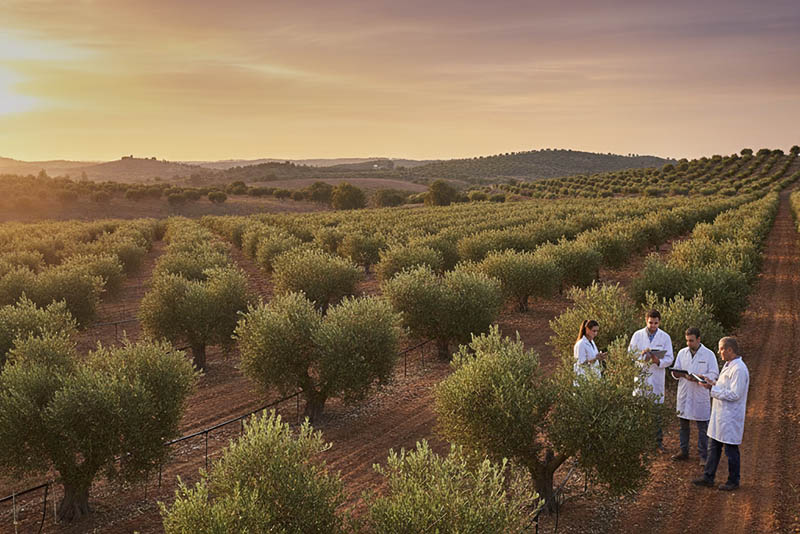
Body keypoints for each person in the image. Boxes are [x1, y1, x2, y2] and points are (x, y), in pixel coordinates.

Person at [693, 336, 749, 491]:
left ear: (729, 350)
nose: (719, 352)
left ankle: (733, 481)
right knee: (714, 447)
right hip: (720, 416)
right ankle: (708, 477)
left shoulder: (739, 369)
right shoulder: (729, 365)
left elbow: (735, 394)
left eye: (721, 349)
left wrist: (712, 389)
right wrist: (711, 383)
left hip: (730, 417)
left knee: (731, 451)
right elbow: (724, 386)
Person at [670, 327, 719, 465]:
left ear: (698, 339)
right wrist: (678, 374)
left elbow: (714, 373)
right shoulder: (682, 353)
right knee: (683, 425)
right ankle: (683, 451)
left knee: (702, 427)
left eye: (691, 340)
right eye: (687, 341)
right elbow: (675, 370)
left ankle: (703, 455)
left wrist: (702, 378)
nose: (688, 343)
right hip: (685, 392)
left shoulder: (708, 354)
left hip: (700, 393)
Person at [628, 309, 674, 451]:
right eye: (650, 322)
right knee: (639, 412)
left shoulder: (665, 337)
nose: (653, 325)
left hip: (656, 378)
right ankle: (639, 442)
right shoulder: (637, 335)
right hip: (641, 377)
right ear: (646, 320)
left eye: (656, 323)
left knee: (656, 414)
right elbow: (630, 354)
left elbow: (670, 358)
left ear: (659, 322)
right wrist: (642, 356)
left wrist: (657, 361)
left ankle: (657, 443)